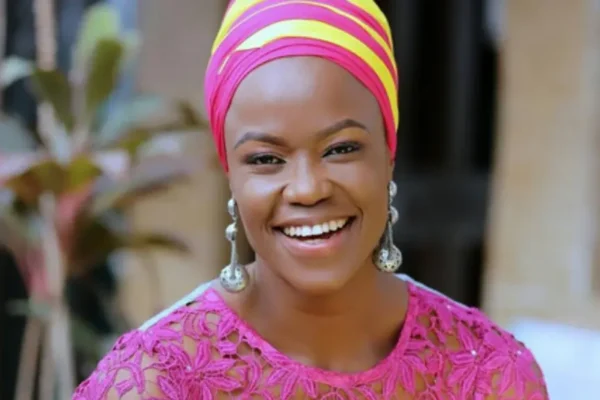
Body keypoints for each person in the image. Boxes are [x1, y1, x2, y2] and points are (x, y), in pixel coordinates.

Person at [73, 0, 548, 398]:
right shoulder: (154, 381)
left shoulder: (489, 374)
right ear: (230, 175)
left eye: (340, 149)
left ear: (389, 152)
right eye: (266, 159)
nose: (307, 188)